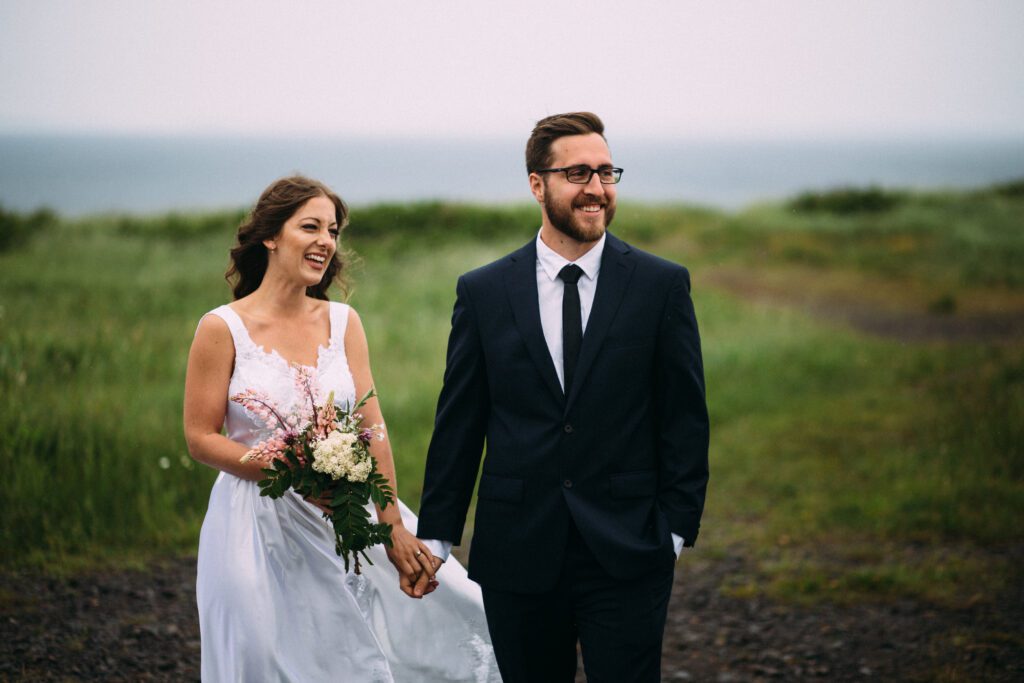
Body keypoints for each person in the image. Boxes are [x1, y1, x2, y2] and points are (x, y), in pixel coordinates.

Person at [415, 112, 710, 682]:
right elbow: (460, 421)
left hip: (630, 549)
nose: (597, 189)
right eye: (579, 173)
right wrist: (438, 534)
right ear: (537, 183)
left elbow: (685, 418)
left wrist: (673, 530)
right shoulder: (483, 291)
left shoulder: (660, 285)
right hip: (517, 550)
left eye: (607, 172)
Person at [183, 175, 500, 682]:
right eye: (310, 227)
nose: (326, 242)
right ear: (270, 235)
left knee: (355, 653)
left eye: (332, 231)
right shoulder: (222, 328)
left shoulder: (343, 322)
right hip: (251, 524)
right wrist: (291, 468)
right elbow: (200, 437)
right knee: (261, 656)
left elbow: (372, 428)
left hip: (343, 515)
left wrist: (392, 523)